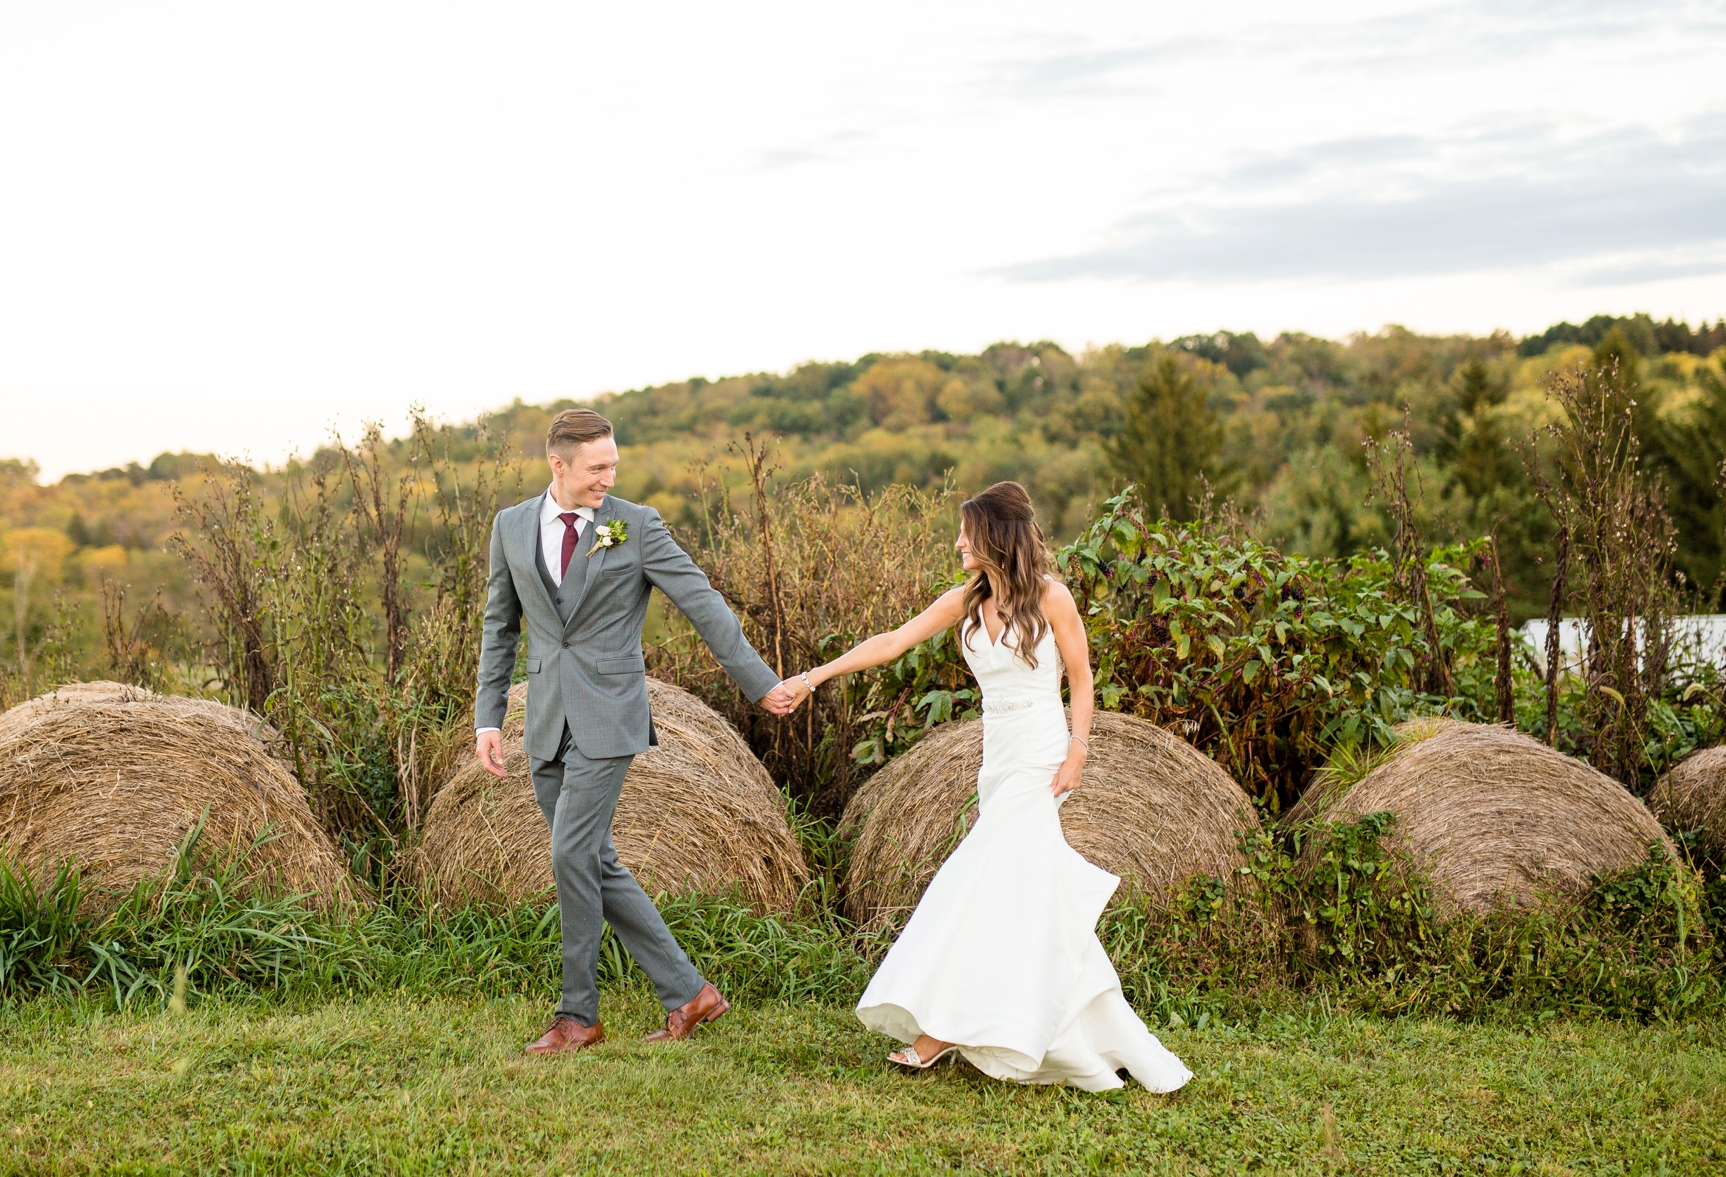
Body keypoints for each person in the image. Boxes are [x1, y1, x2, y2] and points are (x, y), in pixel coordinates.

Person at [776, 481, 1192, 1092]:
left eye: (967, 533)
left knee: (979, 875)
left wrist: (1079, 751)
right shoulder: (967, 601)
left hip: (1042, 750)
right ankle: (1090, 1030)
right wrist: (814, 677)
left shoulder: (1053, 598)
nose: (957, 543)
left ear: (996, 536)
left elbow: (1081, 679)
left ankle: (941, 1030)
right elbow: (892, 643)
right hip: (996, 754)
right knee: (1026, 893)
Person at [475, 408, 798, 1056]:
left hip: (610, 716)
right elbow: (499, 624)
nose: (609, 477)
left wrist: (760, 681)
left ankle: (578, 1016)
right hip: (543, 720)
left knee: (571, 854)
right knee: (594, 860)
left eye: (613, 464)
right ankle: (689, 992)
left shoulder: (637, 524)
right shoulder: (510, 527)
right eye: (597, 467)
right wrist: (487, 714)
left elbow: (701, 602)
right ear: (557, 465)